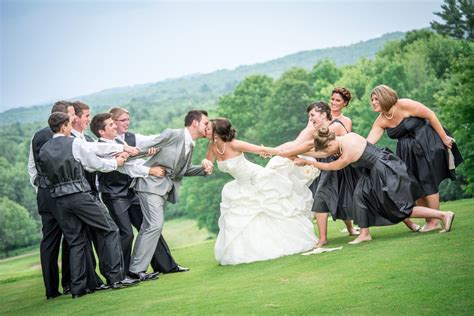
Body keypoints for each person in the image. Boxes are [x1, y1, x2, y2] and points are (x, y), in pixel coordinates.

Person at [293, 128, 455, 244]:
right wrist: (293, 153)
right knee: (359, 196)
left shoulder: (347, 150)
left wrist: (306, 161)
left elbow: (332, 165)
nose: (328, 153)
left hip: (383, 172)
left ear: (330, 143)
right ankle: (364, 233)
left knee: (401, 208)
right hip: (376, 170)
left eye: (328, 149)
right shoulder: (346, 138)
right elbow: (324, 153)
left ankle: (443, 215)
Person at [38, 112, 139, 298]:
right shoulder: (73, 143)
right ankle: (116, 277)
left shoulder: (44, 149)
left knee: (75, 241)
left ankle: (78, 289)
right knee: (110, 229)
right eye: (69, 124)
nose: (71, 126)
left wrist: (117, 149)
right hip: (80, 195)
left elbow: (42, 176)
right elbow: (94, 162)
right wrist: (115, 163)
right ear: (63, 127)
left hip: (59, 201)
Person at [207, 118, 317, 265]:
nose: (205, 131)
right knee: (243, 216)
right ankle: (248, 249)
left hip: (257, 179)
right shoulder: (212, 146)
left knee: (270, 210)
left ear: (216, 132)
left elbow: (261, 150)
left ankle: (281, 243)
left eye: (208, 128)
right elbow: (207, 162)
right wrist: (205, 164)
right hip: (241, 184)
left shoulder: (234, 144)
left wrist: (287, 154)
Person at [91, 112, 183, 279]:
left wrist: (148, 156)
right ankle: (124, 274)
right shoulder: (103, 148)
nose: (115, 127)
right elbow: (127, 168)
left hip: (130, 191)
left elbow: (134, 162)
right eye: (111, 124)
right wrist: (151, 170)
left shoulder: (120, 142)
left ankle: (165, 265)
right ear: (101, 132)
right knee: (126, 233)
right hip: (114, 195)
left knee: (149, 227)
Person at [127, 110, 212, 280]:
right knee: (154, 225)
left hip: (162, 189)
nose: (208, 127)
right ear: (195, 123)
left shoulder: (191, 144)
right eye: (205, 123)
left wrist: (204, 170)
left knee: (149, 227)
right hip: (149, 185)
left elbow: (183, 170)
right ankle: (136, 271)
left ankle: (135, 270)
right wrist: (124, 154)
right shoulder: (173, 134)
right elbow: (144, 148)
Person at [367, 85, 463, 232]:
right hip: (406, 151)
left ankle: (434, 222)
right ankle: (431, 219)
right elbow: (369, 141)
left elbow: (430, 115)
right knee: (414, 183)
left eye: (376, 99)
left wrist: (444, 138)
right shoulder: (381, 120)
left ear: (385, 97)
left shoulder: (404, 105)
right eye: (372, 99)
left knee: (427, 180)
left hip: (426, 142)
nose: (373, 102)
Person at [280, 101, 360, 248]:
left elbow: (316, 148)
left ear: (323, 114)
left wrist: (293, 154)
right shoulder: (315, 130)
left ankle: (351, 229)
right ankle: (323, 238)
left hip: (342, 166)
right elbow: (298, 145)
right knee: (321, 200)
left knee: (348, 198)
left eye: (312, 115)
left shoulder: (334, 126)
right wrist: (277, 152)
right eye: (309, 116)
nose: (310, 119)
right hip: (327, 168)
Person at [28, 100, 75, 299]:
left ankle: (51, 290)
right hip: (59, 192)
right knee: (72, 236)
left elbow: (32, 168)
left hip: (43, 194)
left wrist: (40, 187)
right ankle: (70, 283)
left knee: (49, 241)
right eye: (71, 115)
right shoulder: (63, 138)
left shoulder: (36, 136)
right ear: (63, 116)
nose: (72, 118)